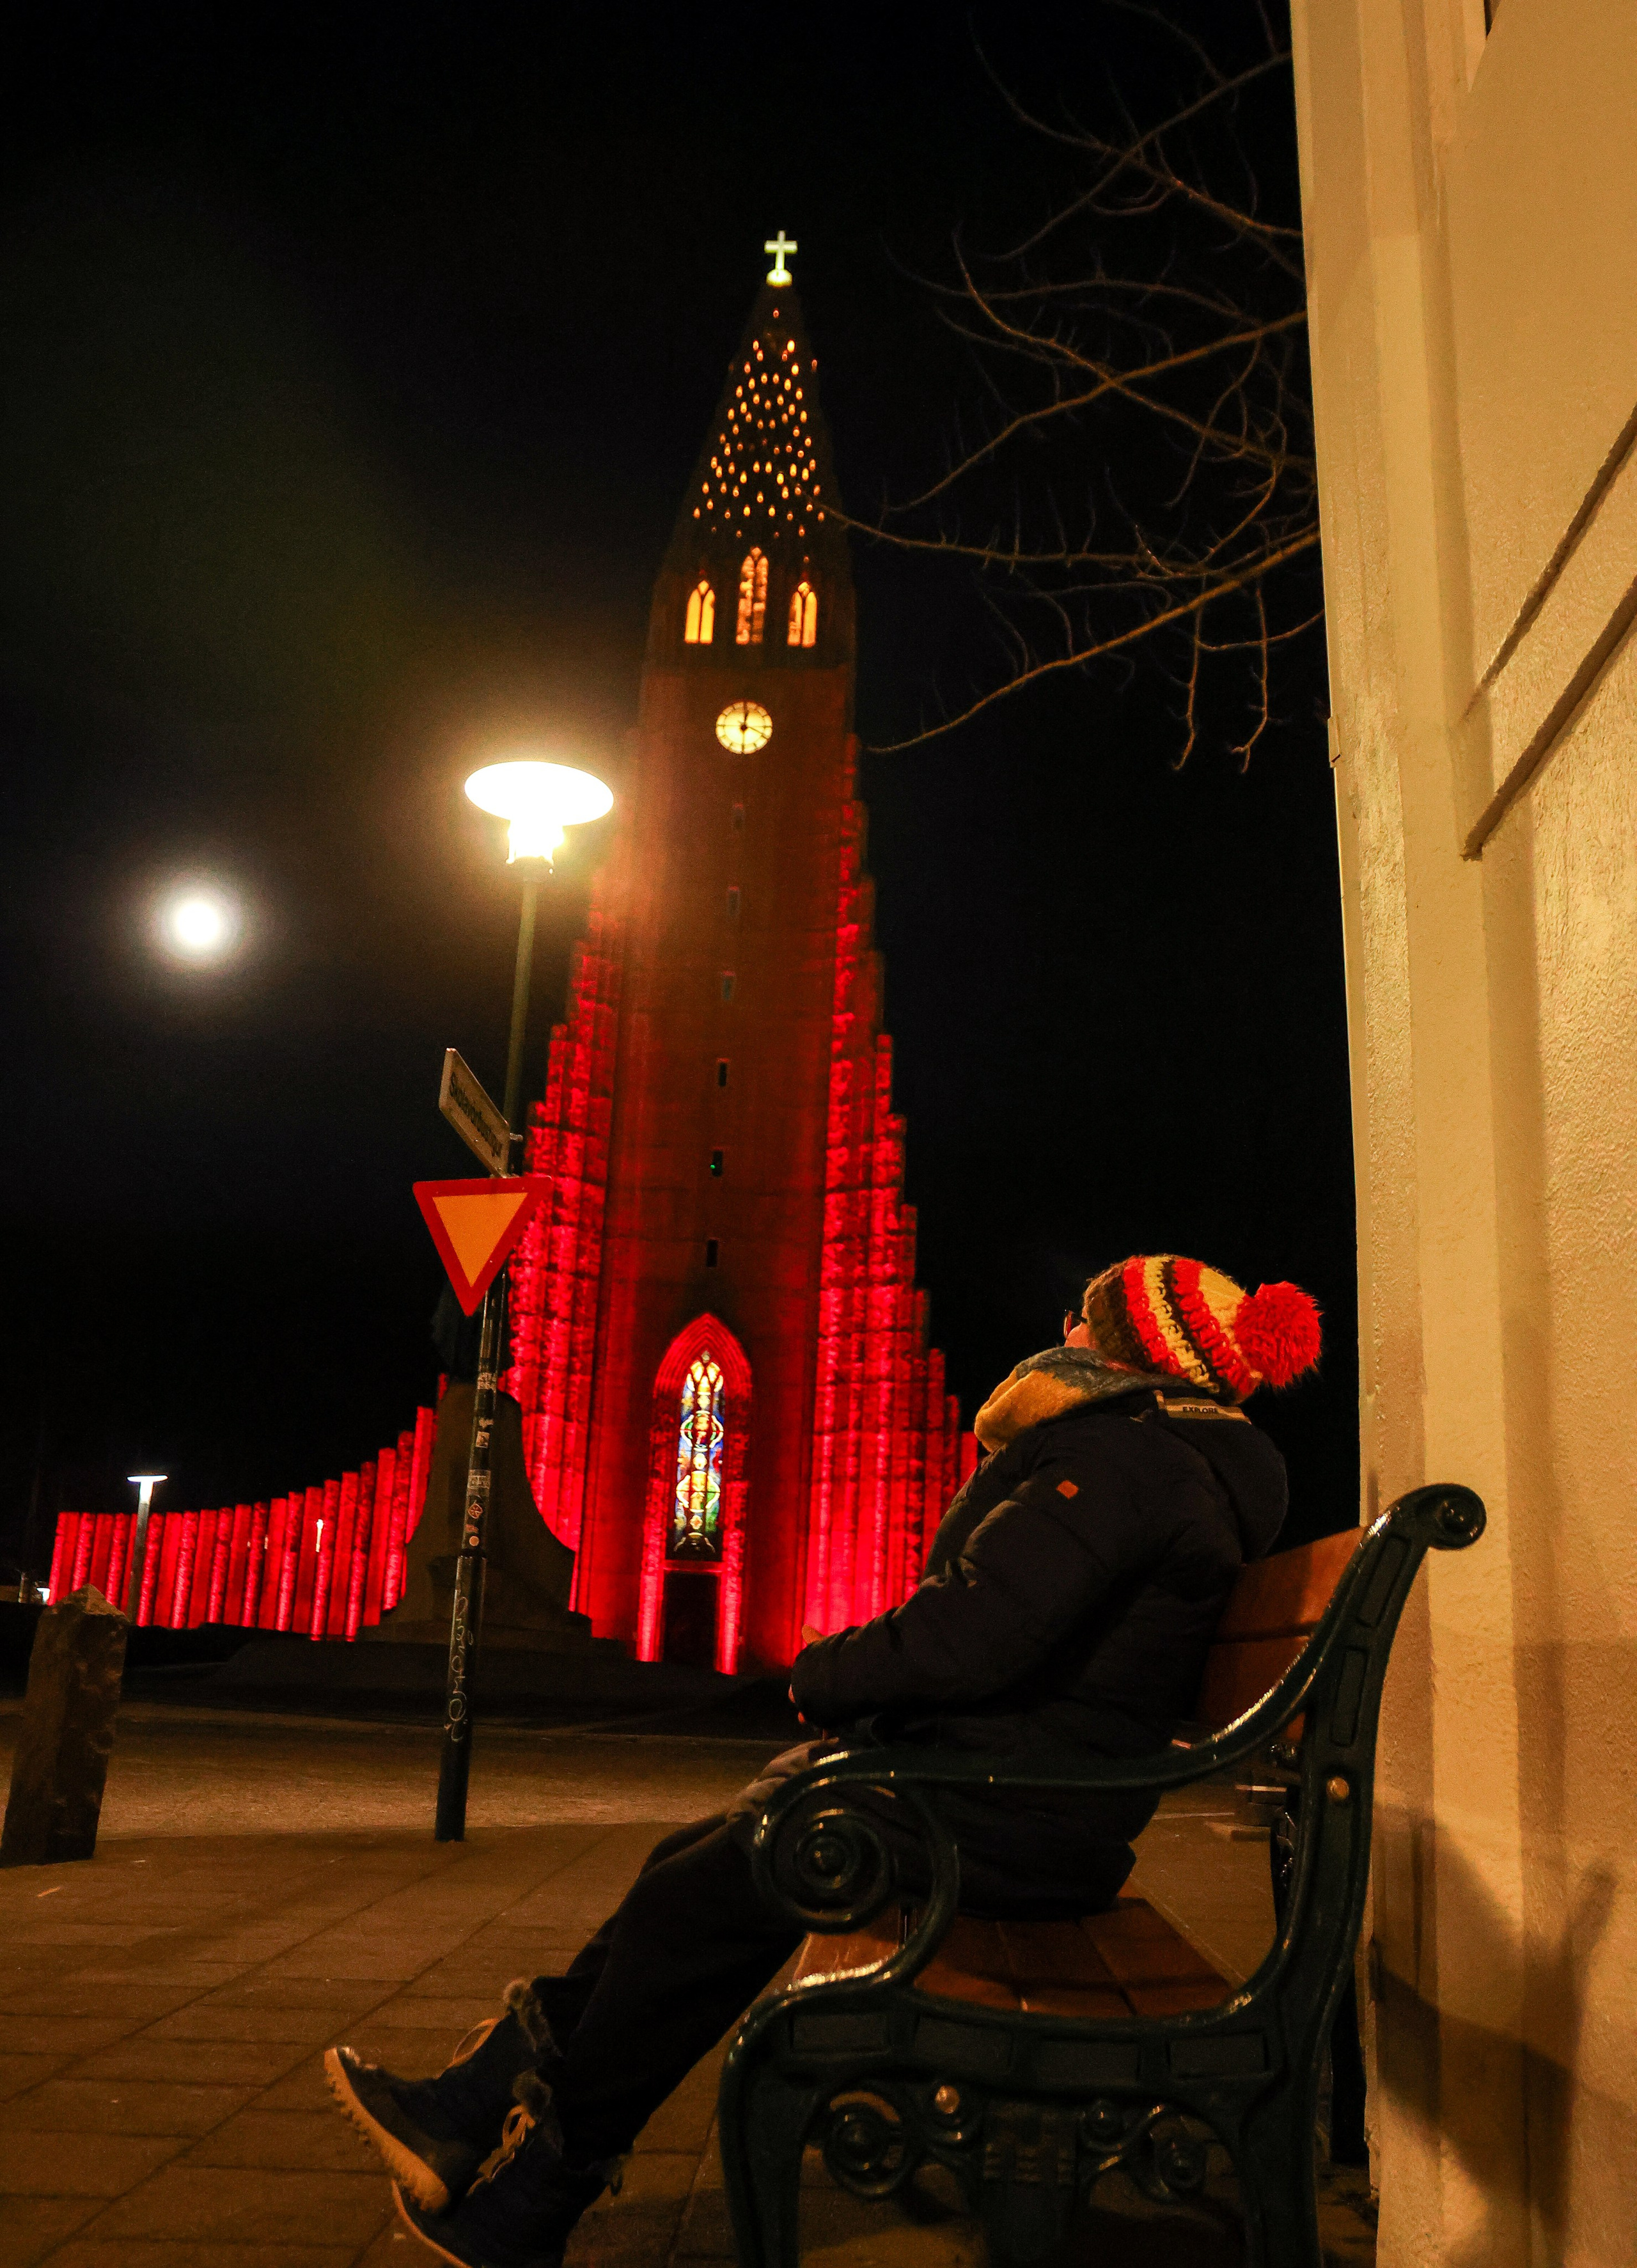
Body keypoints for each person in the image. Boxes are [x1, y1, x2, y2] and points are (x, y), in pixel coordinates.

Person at [326, 1253, 1320, 2268]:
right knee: (693, 1863)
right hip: (1012, 1797)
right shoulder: (1147, 1457)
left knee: (707, 1891)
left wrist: (825, 1672)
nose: (1067, 1323)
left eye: (1090, 1315)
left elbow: (975, 1629)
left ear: (1136, 1352)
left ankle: (536, 2188)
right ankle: (480, 2101)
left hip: (1010, 1817)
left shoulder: (1125, 1459)